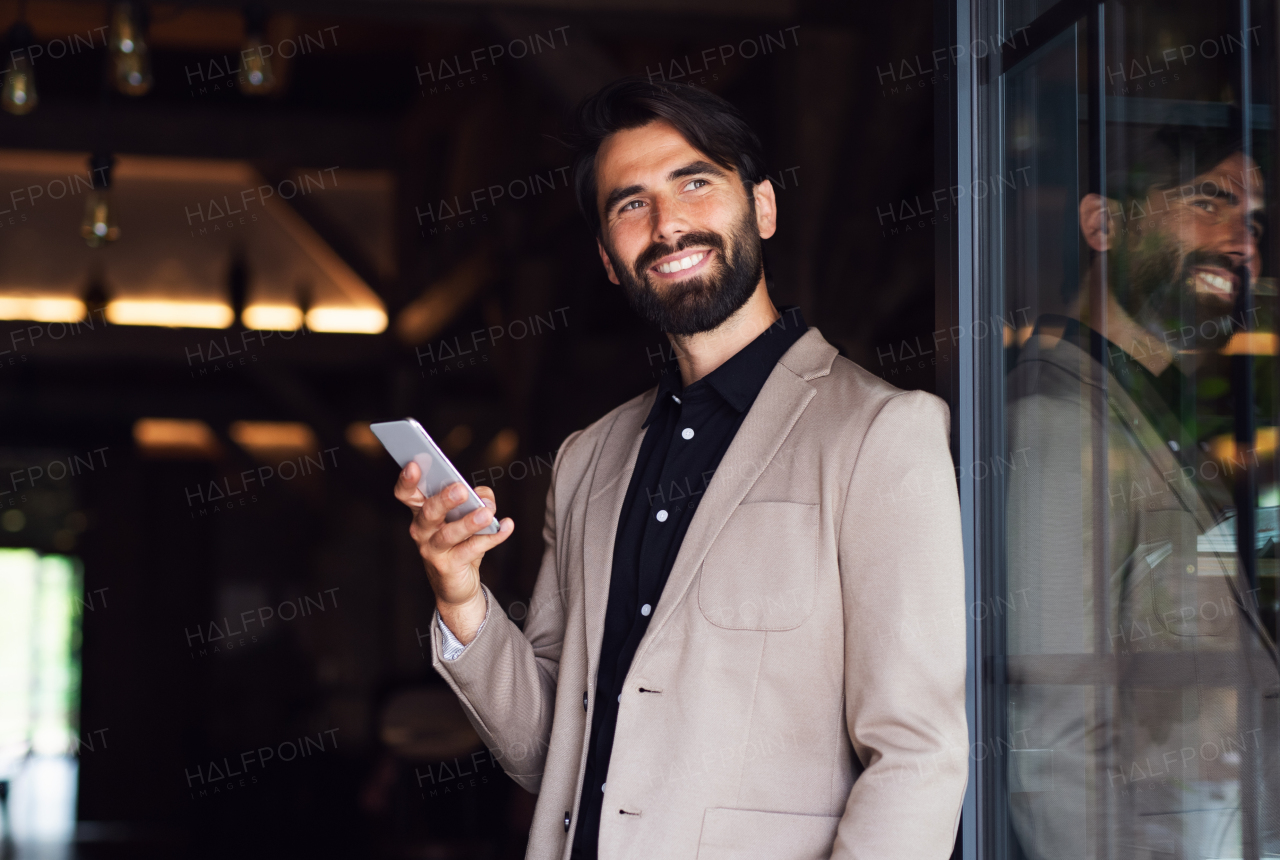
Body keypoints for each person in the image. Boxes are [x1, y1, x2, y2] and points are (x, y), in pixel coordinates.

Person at [394, 77, 967, 860]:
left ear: (762, 207)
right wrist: (461, 599)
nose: (666, 224)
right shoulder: (587, 459)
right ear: (607, 258)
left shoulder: (881, 434)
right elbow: (546, 751)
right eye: (631, 204)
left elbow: (917, 757)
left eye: (695, 182)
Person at [1005, 119, 1280, 860]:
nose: (1243, 243)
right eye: (1210, 200)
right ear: (1104, 223)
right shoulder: (1056, 421)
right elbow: (1049, 743)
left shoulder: (1144, 412)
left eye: (1254, 221)